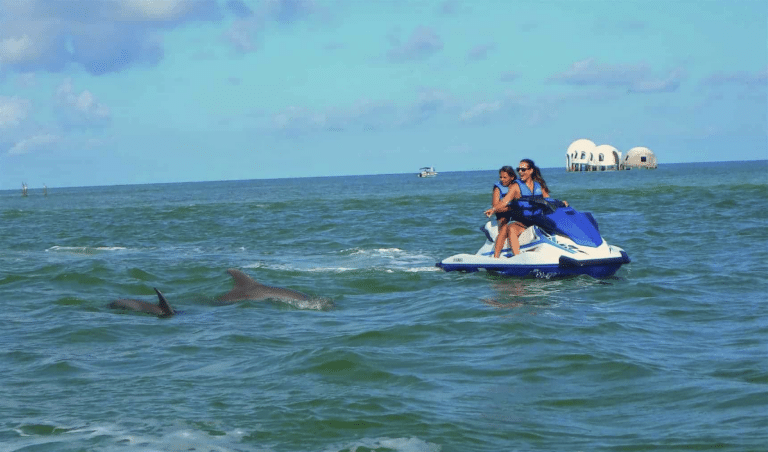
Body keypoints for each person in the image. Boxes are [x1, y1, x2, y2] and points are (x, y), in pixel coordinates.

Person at [486, 159, 567, 256]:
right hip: (522, 221)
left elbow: (548, 200)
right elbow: (504, 201)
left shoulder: (539, 185)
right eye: (519, 169)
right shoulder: (516, 186)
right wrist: (493, 209)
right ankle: (517, 256)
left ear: (531, 171)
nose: (520, 172)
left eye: (523, 169)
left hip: (538, 219)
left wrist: (560, 202)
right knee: (511, 228)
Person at [484, 166, 517, 258]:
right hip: (503, 214)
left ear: (512, 177)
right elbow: (495, 207)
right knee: (505, 227)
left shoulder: (517, 186)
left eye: (504, 177)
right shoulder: (498, 188)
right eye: (500, 177)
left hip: (517, 213)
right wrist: (511, 209)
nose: (502, 179)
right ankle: (496, 255)